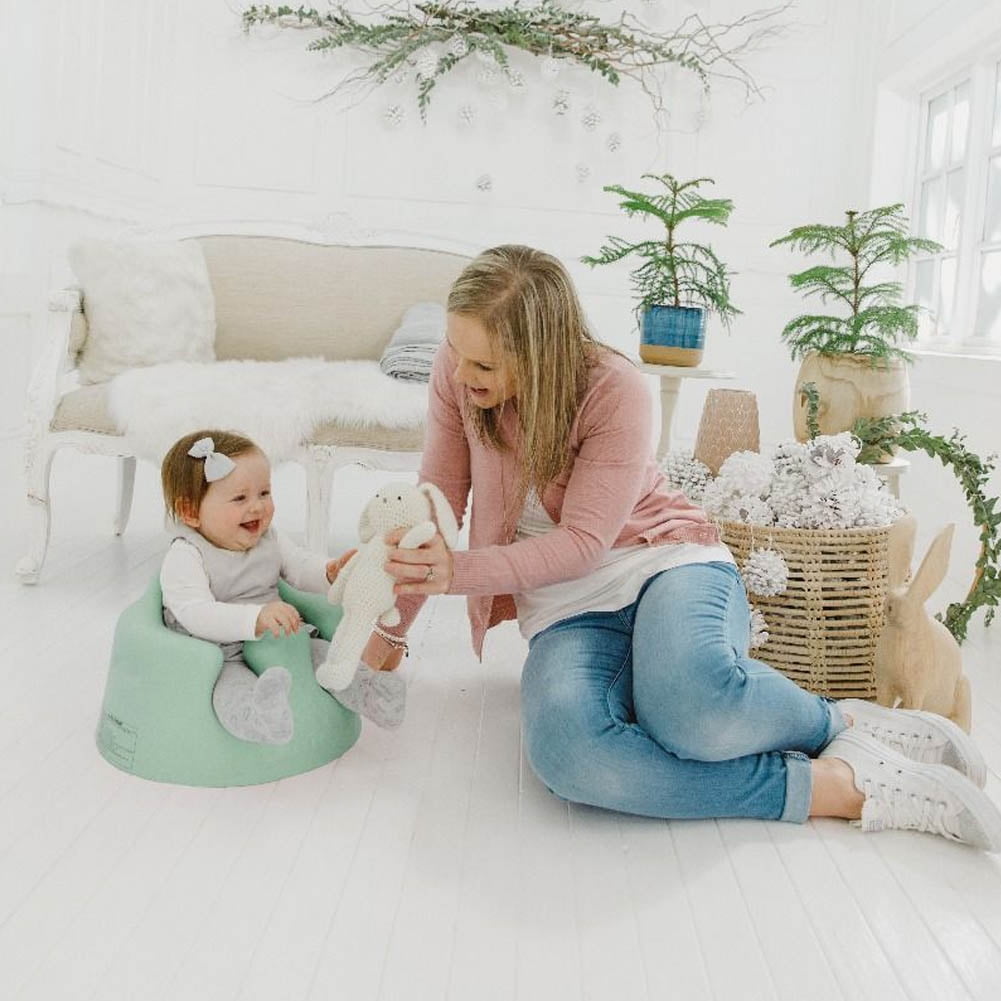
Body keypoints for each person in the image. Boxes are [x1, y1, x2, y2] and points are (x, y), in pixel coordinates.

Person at [365, 244, 1001, 851]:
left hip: (664, 563)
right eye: (455, 351)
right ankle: (837, 787)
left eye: (484, 364)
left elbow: (586, 542)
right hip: (567, 610)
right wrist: (392, 630)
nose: (461, 373)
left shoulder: (614, 388)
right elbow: (436, 503)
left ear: (543, 354)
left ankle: (842, 725)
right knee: (568, 754)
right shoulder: (456, 374)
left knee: (692, 708)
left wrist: (457, 574)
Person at [159, 429, 405, 741]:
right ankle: (260, 718)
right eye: (240, 498)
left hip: (283, 638)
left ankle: (375, 696)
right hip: (223, 653)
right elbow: (195, 613)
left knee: (328, 658)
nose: (258, 507)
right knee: (230, 690)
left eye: (264, 493)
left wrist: (329, 572)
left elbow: (299, 568)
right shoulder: (186, 555)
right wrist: (254, 619)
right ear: (190, 512)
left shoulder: (269, 537)